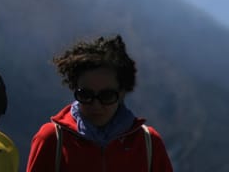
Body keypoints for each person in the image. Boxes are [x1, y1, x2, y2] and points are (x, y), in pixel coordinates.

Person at [26, 35, 173, 172]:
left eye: (106, 96)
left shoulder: (149, 144)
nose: (96, 105)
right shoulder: (52, 139)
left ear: (121, 92)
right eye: (86, 95)